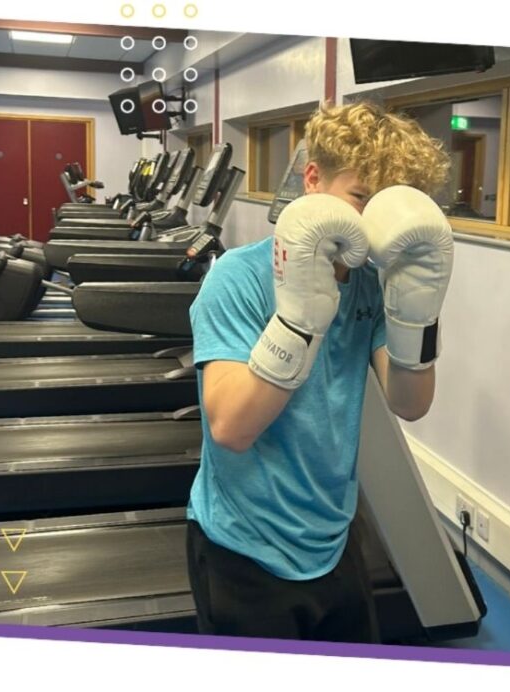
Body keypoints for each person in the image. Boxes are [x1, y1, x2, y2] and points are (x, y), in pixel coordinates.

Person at [185, 100, 455, 643]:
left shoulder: (374, 286)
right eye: (360, 199)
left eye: (388, 209)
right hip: (245, 543)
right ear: (313, 180)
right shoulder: (237, 278)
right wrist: (299, 319)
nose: (372, 227)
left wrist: (418, 314)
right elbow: (231, 430)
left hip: (334, 533)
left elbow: (410, 403)